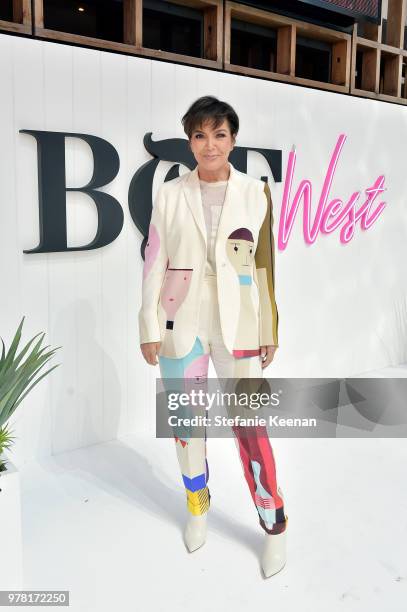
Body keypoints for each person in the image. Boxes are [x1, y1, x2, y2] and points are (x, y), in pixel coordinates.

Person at [139, 95, 287, 578]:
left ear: (233, 140)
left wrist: (268, 326)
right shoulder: (170, 193)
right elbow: (154, 260)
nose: (209, 144)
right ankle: (197, 507)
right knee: (186, 423)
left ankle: (273, 524)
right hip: (180, 319)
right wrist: (147, 324)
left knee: (250, 427)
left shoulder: (255, 192)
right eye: (200, 135)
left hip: (240, 320)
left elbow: (263, 263)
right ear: (189, 141)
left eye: (219, 135)